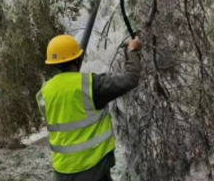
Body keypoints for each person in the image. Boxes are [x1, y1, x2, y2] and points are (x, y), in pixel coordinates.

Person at [36, 34, 142, 181]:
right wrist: (132, 51)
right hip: (92, 170)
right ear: (78, 59)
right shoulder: (90, 85)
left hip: (62, 171)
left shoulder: (43, 92)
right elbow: (130, 79)